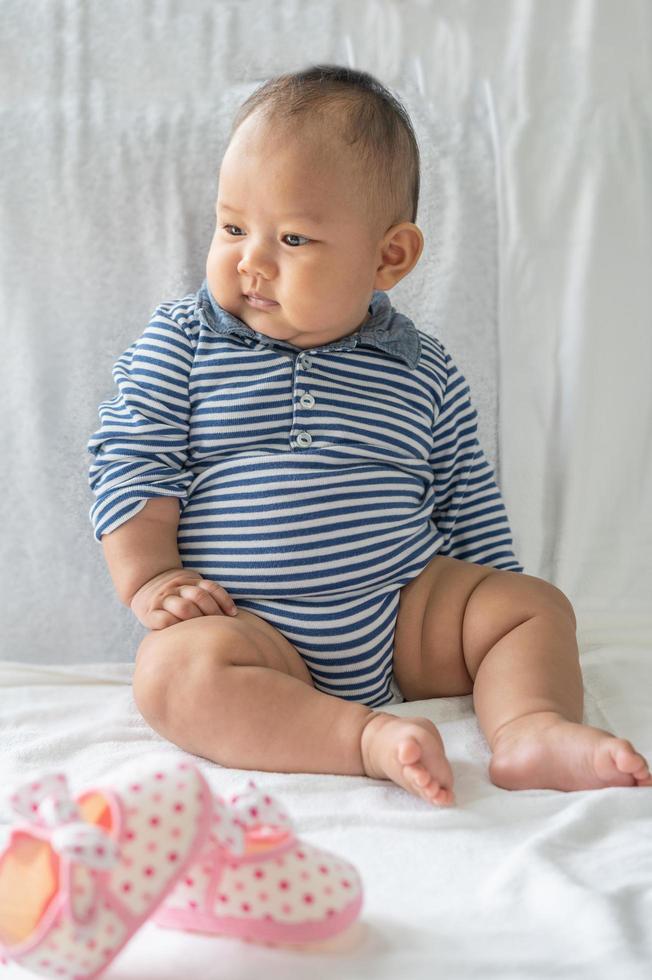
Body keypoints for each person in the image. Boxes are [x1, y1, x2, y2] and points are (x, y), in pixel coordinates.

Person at [88, 65, 651, 806]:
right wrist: (153, 580)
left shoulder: (421, 367)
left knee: (533, 605)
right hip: (251, 628)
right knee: (170, 675)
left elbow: (464, 494)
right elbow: (131, 461)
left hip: (403, 614)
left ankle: (528, 728)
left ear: (390, 257)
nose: (251, 260)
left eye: (292, 237)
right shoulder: (185, 342)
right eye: (232, 227)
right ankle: (361, 739)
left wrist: (490, 609)